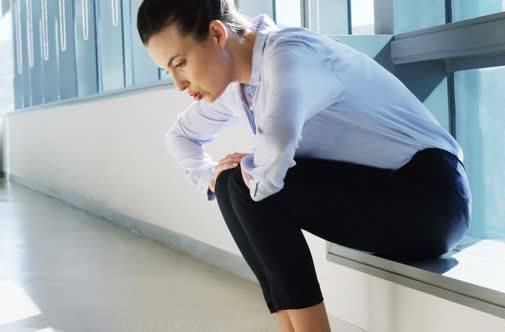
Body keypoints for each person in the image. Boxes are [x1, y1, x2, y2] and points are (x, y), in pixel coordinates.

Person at [137, 0, 472, 331]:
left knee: (243, 184)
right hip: (377, 193)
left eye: (180, 63)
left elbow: (276, 153)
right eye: (168, 71)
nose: (178, 84)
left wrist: (244, 170)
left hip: (431, 198)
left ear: (216, 33)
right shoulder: (233, 86)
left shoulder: (289, 54)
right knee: (231, 184)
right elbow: (180, 137)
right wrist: (211, 177)